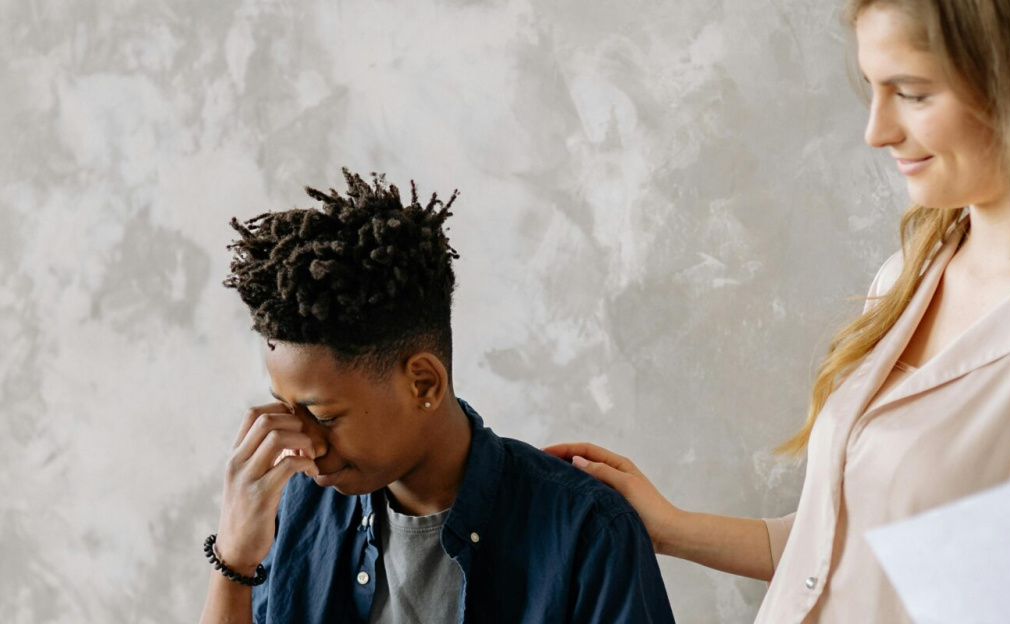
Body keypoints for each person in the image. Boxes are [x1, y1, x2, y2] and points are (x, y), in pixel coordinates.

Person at [546, 1, 1010, 622]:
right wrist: (672, 528)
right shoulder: (915, 270)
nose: (877, 130)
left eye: (912, 93)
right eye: (873, 88)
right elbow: (846, 555)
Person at [200, 169, 675, 624]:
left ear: (424, 384)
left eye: (323, 415)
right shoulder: (294, 506)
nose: (303, 445)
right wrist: (234, 561)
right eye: (287, 409)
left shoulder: (586, 531)